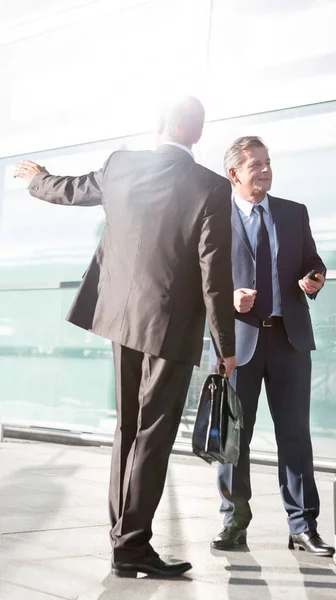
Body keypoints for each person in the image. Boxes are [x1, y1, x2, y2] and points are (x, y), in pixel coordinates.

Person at [14, 96, 237, 578]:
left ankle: (123, 533)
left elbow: (70, 190)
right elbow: (214, 273)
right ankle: (132, 545)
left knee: (127, 429)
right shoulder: (211, 187)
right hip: (171, 327)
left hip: (121, 318)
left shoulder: (121, 165)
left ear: (159, 126)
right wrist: (226, 346)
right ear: (197, 134)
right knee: (153, 436)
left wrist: (36, 178)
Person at [210, 135, 334, 556]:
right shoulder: (213, 218)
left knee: (295, 437)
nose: (265, 170)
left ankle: (302, 526)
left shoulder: (293, 212)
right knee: (234, 439)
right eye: (255, 165)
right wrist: (229, 299)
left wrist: (314, 278)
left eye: (267, 162)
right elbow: (197, 280)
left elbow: (312, 262)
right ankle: (234, 523)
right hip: (238, 343)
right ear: (234, 174)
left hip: (290, 339)